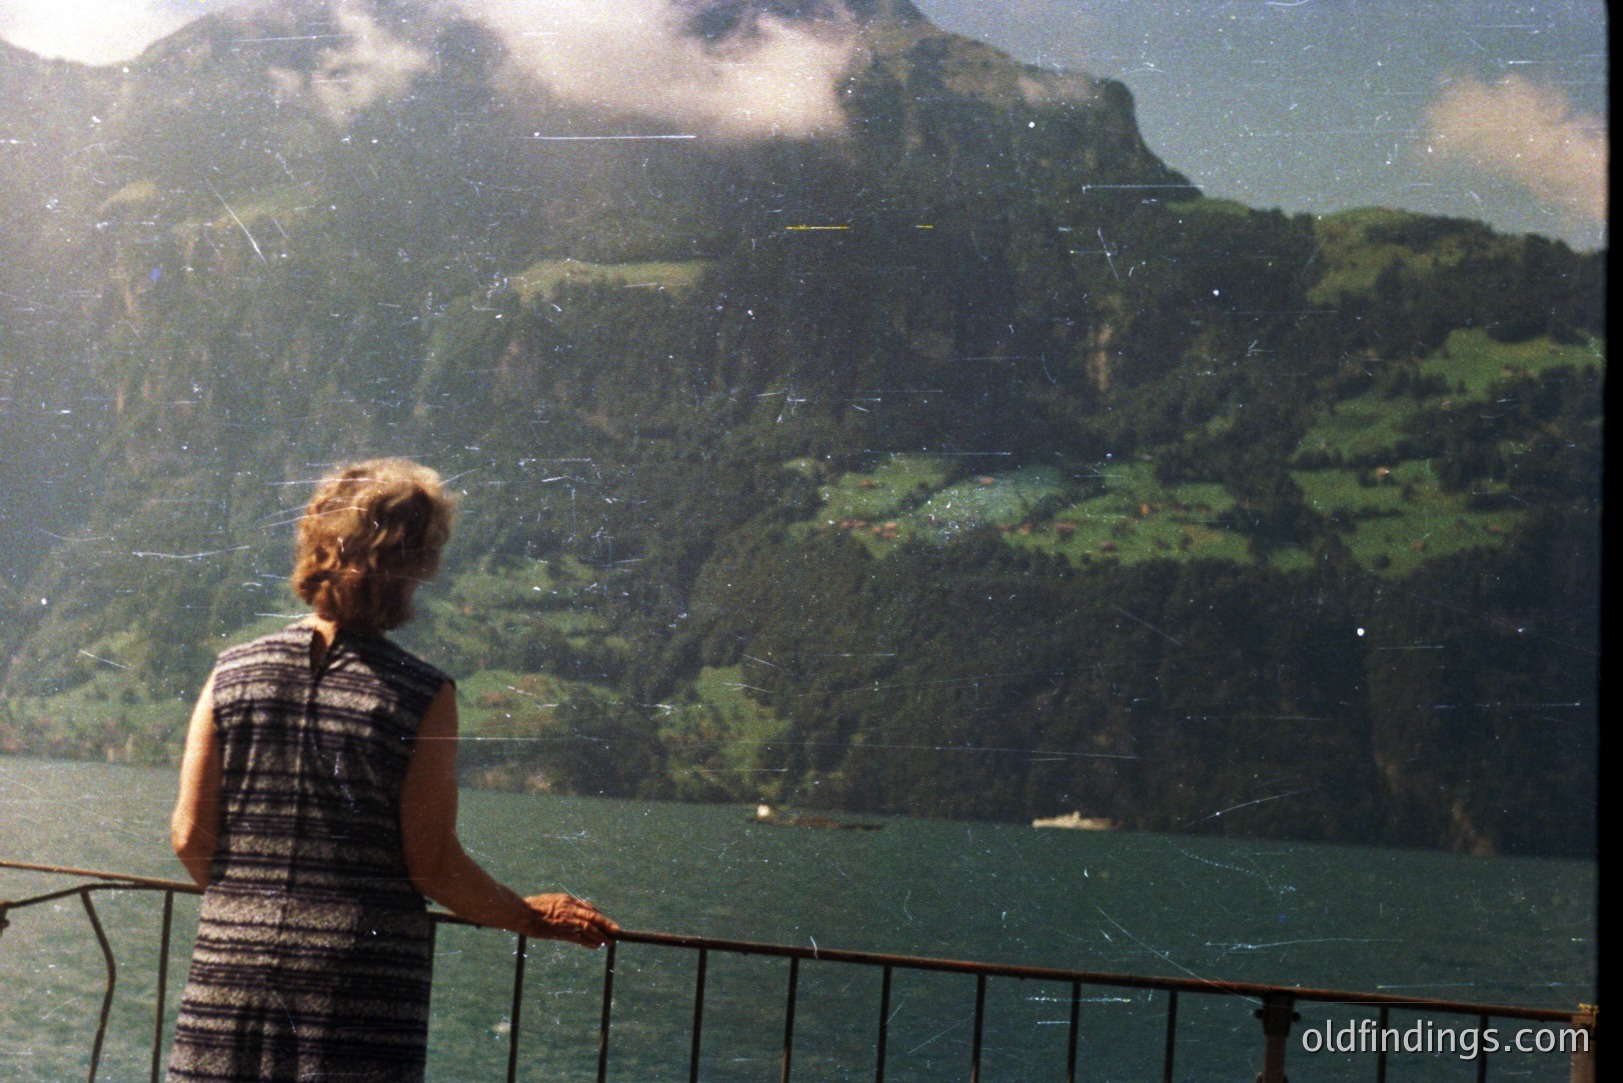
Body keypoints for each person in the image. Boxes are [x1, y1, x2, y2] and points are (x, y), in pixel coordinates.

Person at [167, 457, 617, 1083]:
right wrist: (528, 916)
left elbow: (191, 838)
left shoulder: (230, 672)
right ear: (414, 566)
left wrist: (250, 912)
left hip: (227, 981)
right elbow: (430, 863)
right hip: (355, 996)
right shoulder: (420, 694)